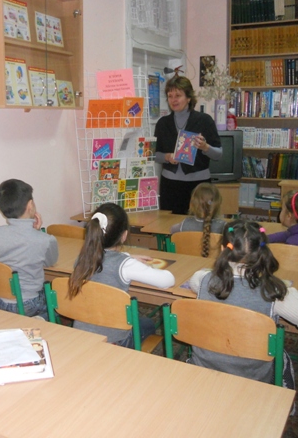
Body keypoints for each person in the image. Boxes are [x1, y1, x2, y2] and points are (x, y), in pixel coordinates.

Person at [188, 220, 298, 388]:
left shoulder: (202, 280)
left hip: (203, 368)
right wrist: (288, 290)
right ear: (263, 251)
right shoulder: (273, 291)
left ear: (223, 249)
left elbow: (196, 282)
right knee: (279, 355)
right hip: (253, 378)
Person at [69, 203, 175, 348]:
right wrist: (127, 259)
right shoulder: (125, 265)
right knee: (148, 323)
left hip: (82, 333)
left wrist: (126, 256)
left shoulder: (82, 259)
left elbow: (104, 259)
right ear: (124, 235)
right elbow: (167, 280)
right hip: (114, 340)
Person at [0, 179, 58, 319]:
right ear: (30, 205)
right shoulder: (46, 240)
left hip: (0, 303)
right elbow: (50, 262)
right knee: (56, 298)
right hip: (31, 303)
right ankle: (40, 320)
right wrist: (37, 232)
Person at [154, 75, 222, 215]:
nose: (173, 100)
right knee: (169, 224)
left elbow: (218, 154)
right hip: (170, 185)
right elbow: (154, 155)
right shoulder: (162, 123)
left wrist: (205, 147)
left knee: (200, 224)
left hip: (199, 186)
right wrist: (167, 157)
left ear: (189, 98)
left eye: (178, 95)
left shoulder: (204, 120)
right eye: (170, 96)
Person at [169, 182, 227, 257]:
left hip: (188, 262)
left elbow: (172, 230)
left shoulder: (185, 223)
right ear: (218, 205)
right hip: (215, 264)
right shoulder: (224, 226)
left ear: (192, 204)